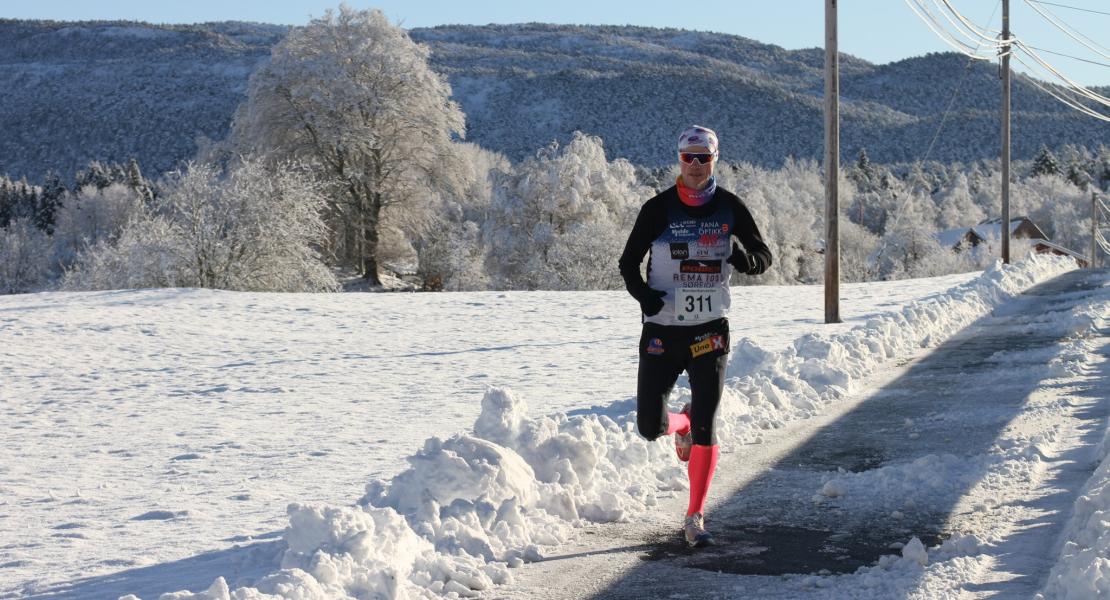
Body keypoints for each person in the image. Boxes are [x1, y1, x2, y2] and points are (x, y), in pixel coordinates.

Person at [618, 125, 772, 548]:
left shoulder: (730, 207)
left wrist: (745, 259)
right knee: (650, 426)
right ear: (679, 159)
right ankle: (679, 425)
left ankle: (695, 516)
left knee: (709, 423)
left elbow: (763, 256)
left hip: (710, 332)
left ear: (715, 159)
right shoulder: (658, 209)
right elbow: (628, 264)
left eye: (705, 157)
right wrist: (647, 301)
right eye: (690, 157)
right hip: (663, 330)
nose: (697, 165)